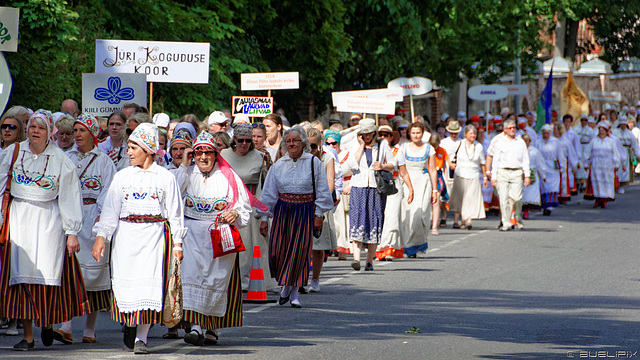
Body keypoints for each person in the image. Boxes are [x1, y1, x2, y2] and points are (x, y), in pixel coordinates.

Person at [92, 123, 186, 354]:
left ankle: (141, 338)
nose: (129, 152)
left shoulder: (165, 177)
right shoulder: (122, 176)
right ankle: (130, 323)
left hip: (154, 237)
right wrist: (102, 237)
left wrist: (178, 244)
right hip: (126, 237)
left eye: (134, 147)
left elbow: (174, 212)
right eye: (129, 147)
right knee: (128, 286)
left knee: (149, 288)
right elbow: (111, 210)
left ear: (148, 149)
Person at [0, 110, 88, 351]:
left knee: (46, 277)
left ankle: (47, 321)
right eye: (32, 127)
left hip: (50, 221)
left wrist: (71, 232)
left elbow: (70, 196)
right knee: (21, 277)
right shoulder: (13, 153)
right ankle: (28, 336)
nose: (35, 131)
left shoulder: (61, 159)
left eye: (41, 127)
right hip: (19, 220)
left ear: (50, 132)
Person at [174, 131, 253, 346]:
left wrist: (234, 214)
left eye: (207, 152)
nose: (203, 157)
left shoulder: (229, 176)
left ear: (215, 154)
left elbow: (244, 206)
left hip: (218, 236)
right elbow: (171, 194)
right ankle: (196, 327)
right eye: (198, 153)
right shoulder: (187, 174)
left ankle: (212, 328)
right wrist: (183, 164)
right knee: (191, 278)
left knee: (216, 280)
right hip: (191, 237)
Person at [53, 114, 117, 345]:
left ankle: (90, 329)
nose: (77, 135)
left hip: (94, 221)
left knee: (94, 275)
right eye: (75, 130)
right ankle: (67, 326)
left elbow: (109, 191)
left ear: (92, 134)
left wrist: (101, 219)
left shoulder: (103, 161)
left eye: (81, 131)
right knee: (70, 273)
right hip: (71, 219)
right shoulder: (64, 157)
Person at [259, 126, 333, 308]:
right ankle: (286, 285)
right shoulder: (278, 166)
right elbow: (269, 193)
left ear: (304, 143)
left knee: (299, 253)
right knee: (278, 250)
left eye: (295, 141)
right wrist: (263, 218)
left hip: (305, 210)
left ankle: (292, 293)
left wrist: (318, 214)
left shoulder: (313, 163)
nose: (291, 144)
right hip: (283, 211)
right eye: (289, 141)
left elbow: (323, 190)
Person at [220, 124, 277, 292]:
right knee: (233, 246)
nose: (243, 144)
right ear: (234, 141)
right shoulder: (223, 155)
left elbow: (267, 186)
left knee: (255, 246)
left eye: (247, 140)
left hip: (252, 206)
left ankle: (258, 281)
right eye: (240, 140)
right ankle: (234, 282)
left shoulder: (261, 156)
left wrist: (264, 213)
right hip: (230, 205)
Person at [342, 119, 398, 269]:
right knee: (357, 220)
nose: (367, 136)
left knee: (374, 221)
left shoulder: (382, 144)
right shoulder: (355, 144)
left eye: (369, 133)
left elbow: (393, 164)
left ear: (374, 132)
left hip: (375, 188)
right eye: (364, 133)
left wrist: (382, 166)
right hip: (358, 187)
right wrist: (361, 145)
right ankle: (356, 259)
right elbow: (352, 165)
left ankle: (369, 261)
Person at [306, 128, 338, 291]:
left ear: (319, 144)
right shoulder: (300, 158)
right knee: (303, 244)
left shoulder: (327, 158)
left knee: (318, 245)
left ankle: (315, 279)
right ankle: (301, 278)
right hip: (303, 203)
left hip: (320, 203)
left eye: (312, 146)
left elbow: (330, 182)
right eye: (306, 145)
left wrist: (321, 202)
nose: (309, 149)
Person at [399, 122, 437, 257]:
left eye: (418, 132)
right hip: (407, 182)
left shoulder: (429, 148)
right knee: (407, 215)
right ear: (409, 133)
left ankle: (420, 242)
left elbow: (432, 170)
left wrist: (434, 190)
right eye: (413, 132)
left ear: (423, 133)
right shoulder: (403, 148)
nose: (416, 135)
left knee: (421, 215)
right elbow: (399, 167)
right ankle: (410, 247)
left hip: (423, 182)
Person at [376, 126, 414, 259]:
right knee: (379, 217)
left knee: (392, 217)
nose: (383, 137)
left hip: (394, 186)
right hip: (377, 186)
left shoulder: (398, 152)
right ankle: (377, 248)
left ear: (392, 137)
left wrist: (410, 188)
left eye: (386, 135)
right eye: (380, 134)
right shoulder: (374, 151)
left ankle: (388, 248)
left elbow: (403, 172)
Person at [491, 119, 530, 230]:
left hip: (517, 171)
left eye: (514, 127)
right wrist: (494, 176)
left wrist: (526, 175)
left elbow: (525, 159)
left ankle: (517, 217)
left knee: (517, 198)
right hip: (503, 171)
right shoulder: (500, 142)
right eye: (510, 128)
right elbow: (496, 160)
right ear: (505, 130)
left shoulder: (520, 141)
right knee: (503, 198)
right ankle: (506, 222)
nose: (512, 130)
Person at [449, 125, 486, 230]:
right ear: (465, 134)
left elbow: (482, 162)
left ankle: (468, 220)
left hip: (473, 174)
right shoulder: (459, 144)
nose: (473, 135)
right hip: (460, 173)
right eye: (470, 133)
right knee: (458, 198)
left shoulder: (478, 146)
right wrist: (450, 164)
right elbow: (445, 153)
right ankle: (457, 220)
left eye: (474, 133)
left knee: (470, 198)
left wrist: (485, 177)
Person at [326, 130, 352, 259]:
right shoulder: (325, 155)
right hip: (331, 189)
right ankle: (333, 246)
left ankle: (343, 249)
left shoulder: (347, 154)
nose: (331, 146)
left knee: (344, 221)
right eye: (328, 143)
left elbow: (355, 171)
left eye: (334, 143)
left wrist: (350, 185)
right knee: (334, 220)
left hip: (345, 189)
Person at [584, 121, 620, 208]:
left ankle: (604, 200)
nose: (601, 132)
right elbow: (587, 152)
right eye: (600, 130)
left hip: (607, 165)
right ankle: (597, 199)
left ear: (606, 131)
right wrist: (586, 163)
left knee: (606, 182)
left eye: (603, 130)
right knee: (597, 181)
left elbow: (615, 153)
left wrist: (616, 164)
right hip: (596, 164)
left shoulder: (611, 141)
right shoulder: (594, 141)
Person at [536, 124, 562, 216]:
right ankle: (544, 205)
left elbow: (560, 154)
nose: (545, 135)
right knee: (543, 186)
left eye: (547, 133)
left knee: (552, 186)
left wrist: (562, 167)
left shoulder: (555, 142)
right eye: (544, 133)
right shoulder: (538, 142)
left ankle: (550, 206)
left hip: (552, 167)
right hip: (542, 166)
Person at [429, 134, 452, 234]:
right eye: (432, 145)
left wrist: (446, 179)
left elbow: (445, 166)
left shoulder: (442, 151)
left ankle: (435, 226)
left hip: (438, 175)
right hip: (428, 174)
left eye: (436, 146)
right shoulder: (427, 150)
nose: (434, 148)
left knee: (436, 200)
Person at [521, 133, 547, 219]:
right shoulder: (518, 151)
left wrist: (543, 175)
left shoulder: (534, 152)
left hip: (532, 174)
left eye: (527, 141)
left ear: (530, 142)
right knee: (522, 193)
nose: (525, 143)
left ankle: (527, 211)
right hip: (522, 174)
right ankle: (522, 210)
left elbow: (540, 163)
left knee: (531, 193)